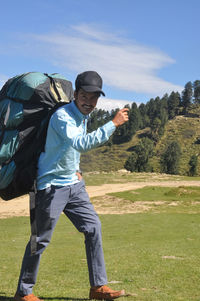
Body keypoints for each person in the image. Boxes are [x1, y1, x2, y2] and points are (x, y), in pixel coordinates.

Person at [14, 71, 129, 301]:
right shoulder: (62, 116)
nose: (89, 102)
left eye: (94, 98)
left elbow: (69, 149)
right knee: (41, 239)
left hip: (74, 185)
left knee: (93, 227)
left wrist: (75, 169)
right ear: (75, 94)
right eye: (84, 96)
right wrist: (113, 124)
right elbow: (80, 143)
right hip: (51, 187)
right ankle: (23, 292)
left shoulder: (82, 116)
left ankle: (98, 288)